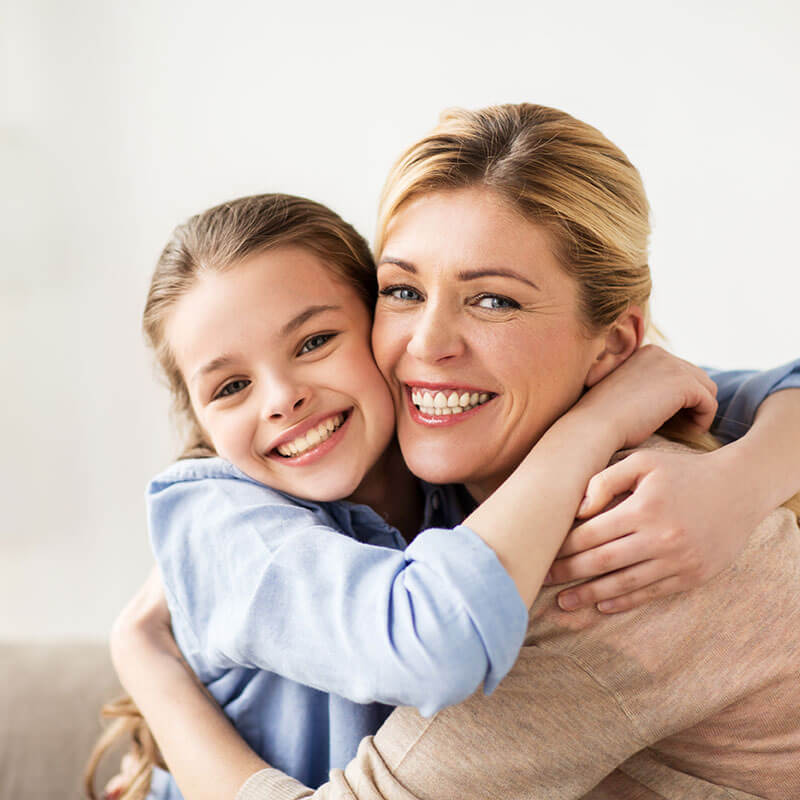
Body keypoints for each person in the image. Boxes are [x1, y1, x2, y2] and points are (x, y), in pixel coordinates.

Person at [110, 103, 800, 798]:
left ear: (616, 347)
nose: (428, 344)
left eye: (494, 301)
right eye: (405, 291)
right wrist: (144, 658)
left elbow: (748, 388)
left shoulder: (624, 540)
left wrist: (742, 478)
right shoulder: (243, 511)